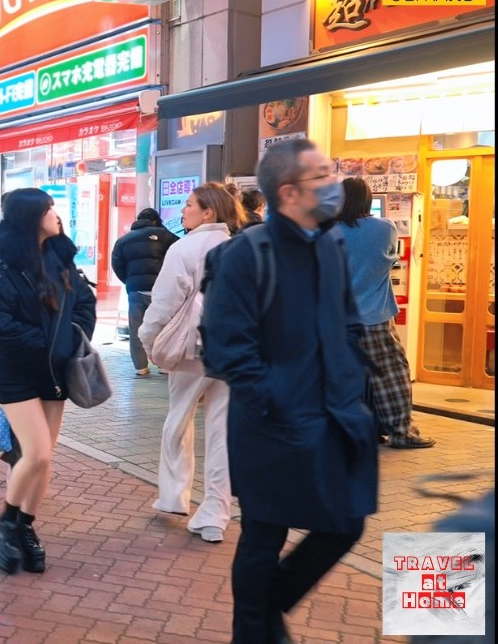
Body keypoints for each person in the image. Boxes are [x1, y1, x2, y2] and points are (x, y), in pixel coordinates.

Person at [201, 139, 378, 643]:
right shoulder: (244, 255)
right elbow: (226, 351)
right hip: (271, 423)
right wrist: (274, 399)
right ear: (288, 192)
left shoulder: (330, 243)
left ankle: (263, 608)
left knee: (347, 522)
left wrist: (355, 389)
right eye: (321, 176)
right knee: (263, 533)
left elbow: (345, 323)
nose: (333, 183)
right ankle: (253, 631)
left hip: (335, 414)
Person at [0, 188, 96, 576]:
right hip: (18, 372)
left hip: (56, 372)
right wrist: (46, 344)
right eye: (47, 208)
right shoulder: (4, 266)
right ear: (31, 217)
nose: (55, 213)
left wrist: (72, 336)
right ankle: (6, 525)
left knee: (42, 462)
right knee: (38, 453)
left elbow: (84, 303)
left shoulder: (61, 258)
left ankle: (25, 529)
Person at [138, 185, 242, 544]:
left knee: (178, 421)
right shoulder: (240, 247)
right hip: (233, 350)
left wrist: (147, 338)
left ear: (208, 212)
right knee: (222, 430)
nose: (183, 211)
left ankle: (174, 496)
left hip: (192, 350)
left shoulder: (184, 248)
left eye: (188, 205)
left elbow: (164, 303)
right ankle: (215, 513)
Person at [336, 177, 434, 449]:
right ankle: (402, 433)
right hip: (374, 317)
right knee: (391, 375)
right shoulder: (384, 227)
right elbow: (391, 259)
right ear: (368, 200)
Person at [111, 207, 180, 376]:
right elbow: (180, 254)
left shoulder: (123, 240)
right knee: (165, 327)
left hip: (136, 290)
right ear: (155, 221)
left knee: (136, 329)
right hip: (161, 290)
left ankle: (141, 367)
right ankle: (164, 366)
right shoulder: (166, 236)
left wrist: (129, 281)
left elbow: (117, 264)